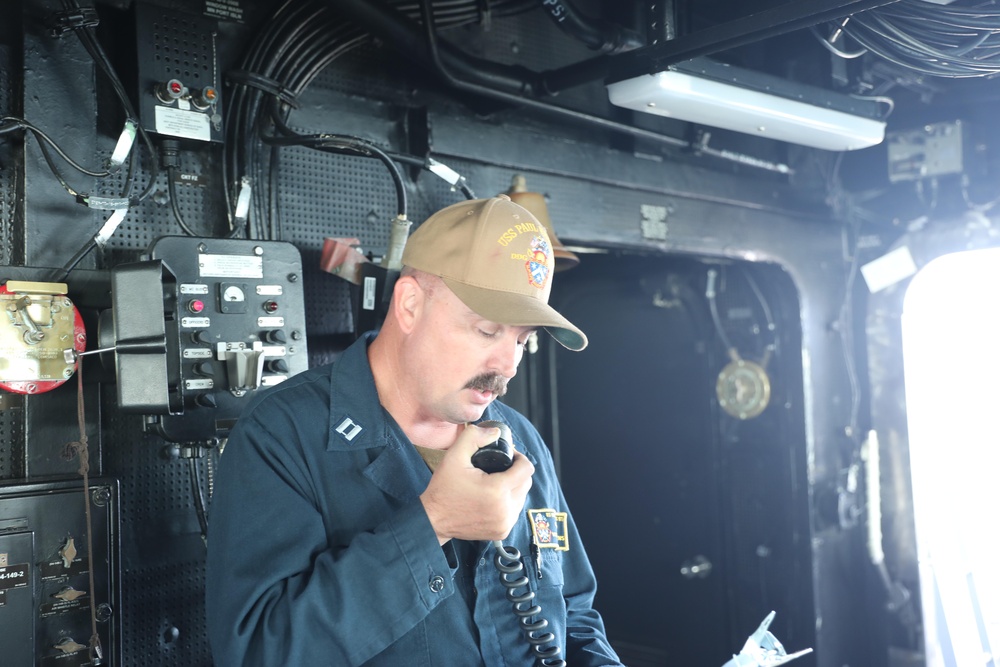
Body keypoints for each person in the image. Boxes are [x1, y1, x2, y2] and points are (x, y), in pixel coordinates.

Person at [206, 195, 622, 666]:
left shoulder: (519, 440)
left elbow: (574, 614)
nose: (506, 366)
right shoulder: (282, 435)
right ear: (409, 304)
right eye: (487, 331)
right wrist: (433, 524)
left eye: (522, 341)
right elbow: (258, 654)